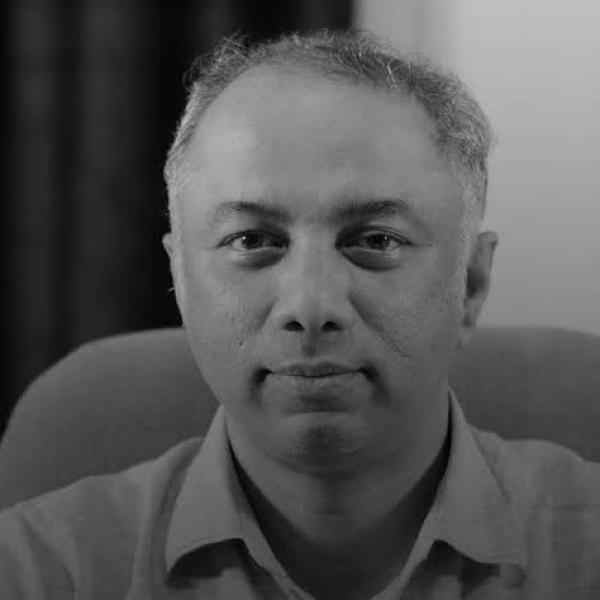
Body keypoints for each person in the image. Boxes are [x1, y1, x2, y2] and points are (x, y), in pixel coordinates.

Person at [1, 29, 600, 599]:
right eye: (252, 241)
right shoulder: (36, 570)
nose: (311, 308)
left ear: (471, 282)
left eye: (376, 240)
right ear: (179, 279)